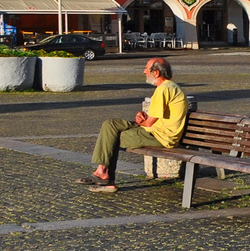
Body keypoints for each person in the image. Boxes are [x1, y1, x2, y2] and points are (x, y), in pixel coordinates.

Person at [79, 57, 186, 192]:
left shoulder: (164, 89)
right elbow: (154, 118)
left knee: (113, 137)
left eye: (146, 68)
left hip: (160, 136)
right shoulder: (168, 87)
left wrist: (143, 120)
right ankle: (102, 171)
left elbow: (149, 123)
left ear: (156, 73)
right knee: (110, 124)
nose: (144, 71)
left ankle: (106, 178)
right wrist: (142, 116)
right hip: (153, 130)